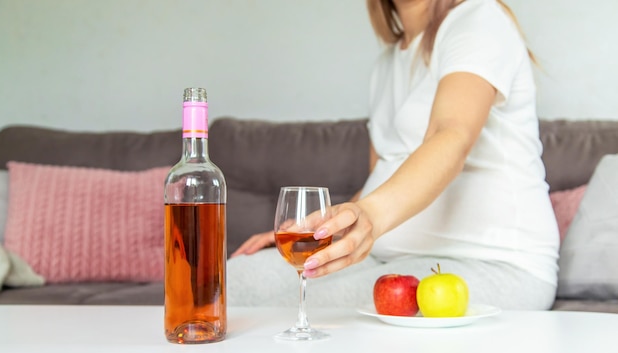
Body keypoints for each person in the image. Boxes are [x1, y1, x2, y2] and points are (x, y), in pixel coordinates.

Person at [227, 0, 560, 310]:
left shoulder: (479, 18)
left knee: (307, 308)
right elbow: (381, 177)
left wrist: (370, 214)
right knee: (234, 281)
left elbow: (451, 134)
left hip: (491, 263)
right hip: (389, 260)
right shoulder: (388, 62)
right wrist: (317, 229)